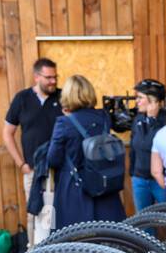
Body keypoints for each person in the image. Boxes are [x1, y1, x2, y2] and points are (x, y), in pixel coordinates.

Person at [47, 75, 126, 228]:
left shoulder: (64, 123)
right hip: (104, 187)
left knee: (76, 243)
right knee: (110, 240)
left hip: (75, 192)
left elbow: (53, 159)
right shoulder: (103, 117)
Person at [4, 58, 62, 242]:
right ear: (36, 77)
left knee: (59, 212)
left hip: (60, 169)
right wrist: (21, 164)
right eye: (48, 77)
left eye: (55, 77)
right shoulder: (22, 99)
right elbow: (7, 133)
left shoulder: (63, 97)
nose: (53, 81)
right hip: (34, 171)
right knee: (35, 213)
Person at [129, 79, 166, 211]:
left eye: (140, 97)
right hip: (139, 180)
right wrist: (133, 174)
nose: (137, 101)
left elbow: (156, 144)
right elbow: (133, 148)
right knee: (143, 224)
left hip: (161, 180)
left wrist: (152, 120)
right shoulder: (138, 119)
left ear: (153, 100)